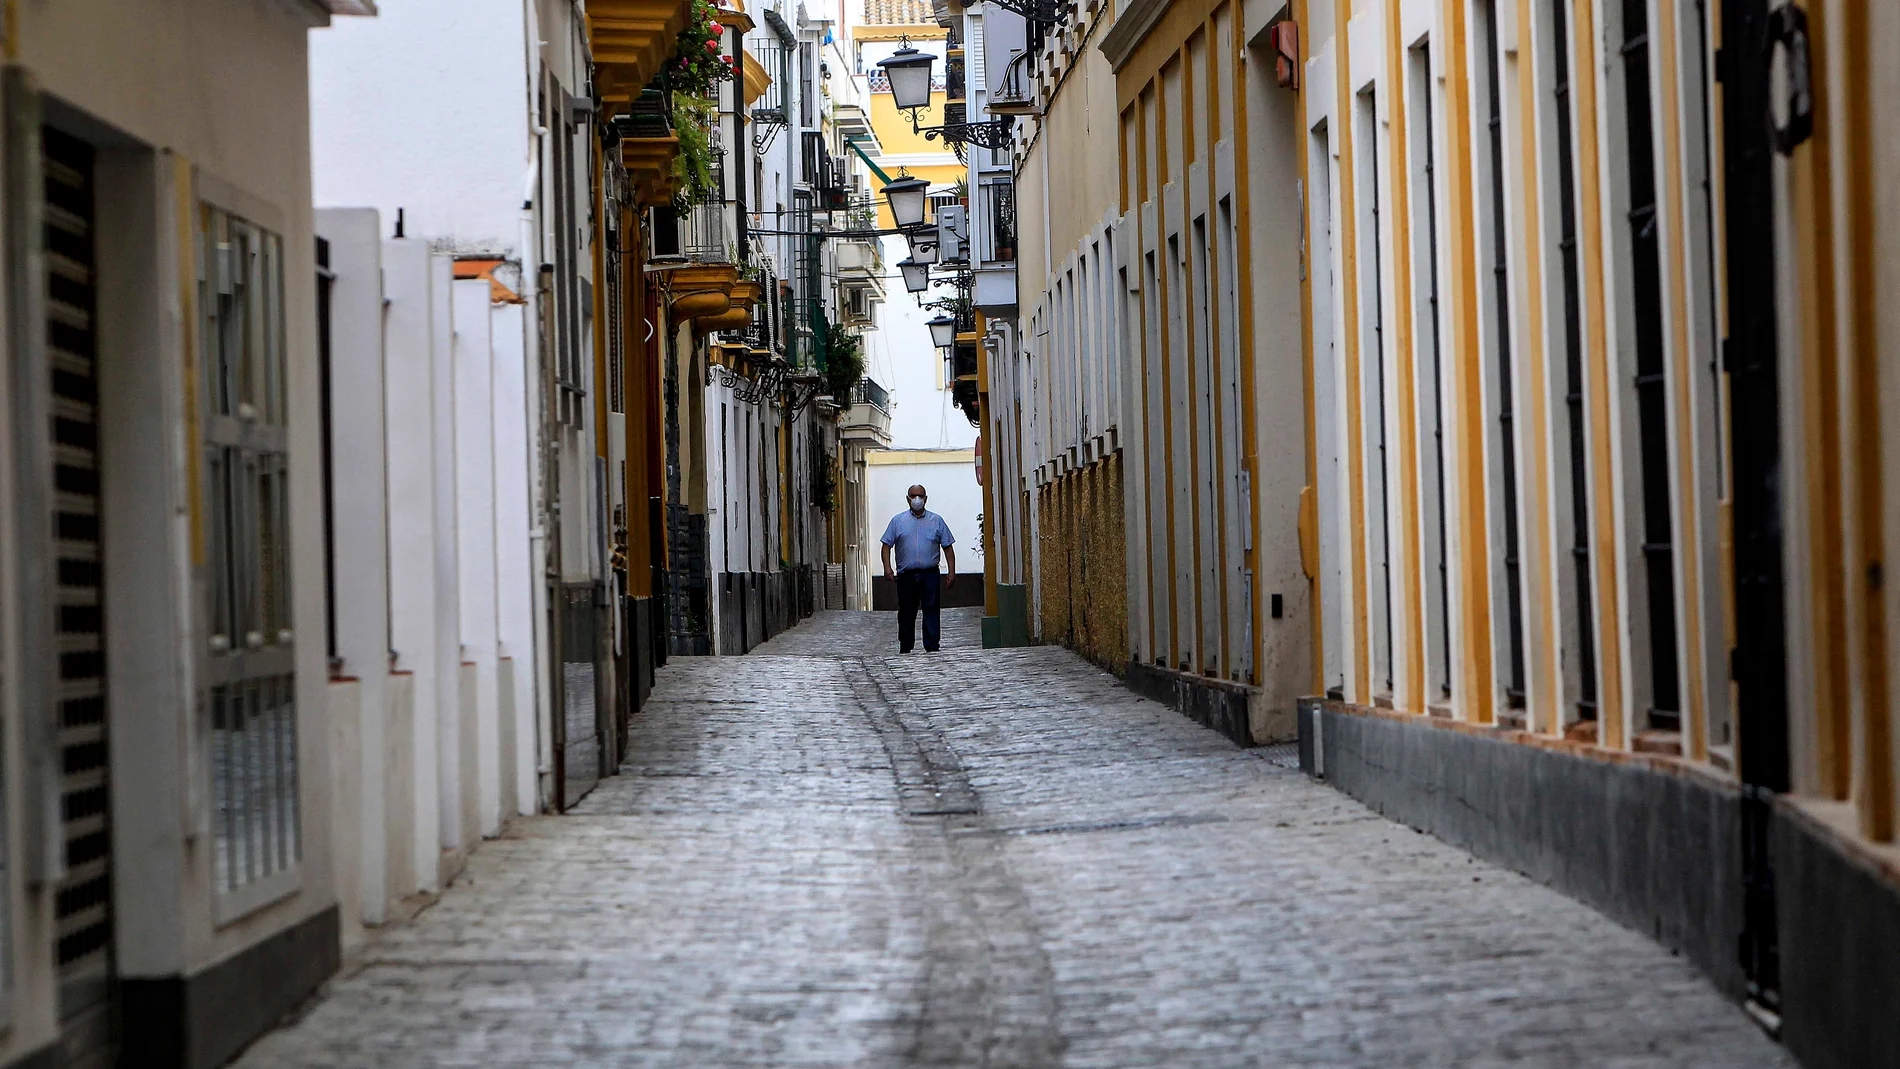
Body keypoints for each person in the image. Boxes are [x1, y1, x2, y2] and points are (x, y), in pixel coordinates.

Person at [880, 484, 957, 653]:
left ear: (926, 498)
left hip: (929, 573)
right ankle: (906, 645)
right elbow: (886, 545)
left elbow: (948, 547)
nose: (917, 499)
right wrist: (887, 568)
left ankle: (932, 644)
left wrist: (951, 571)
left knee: (931, 608)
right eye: (913, 496)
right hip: (906, 575)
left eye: (920, 496)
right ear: (907, 499)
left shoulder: (936, 521)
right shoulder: (897, 521)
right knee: (906, 611)